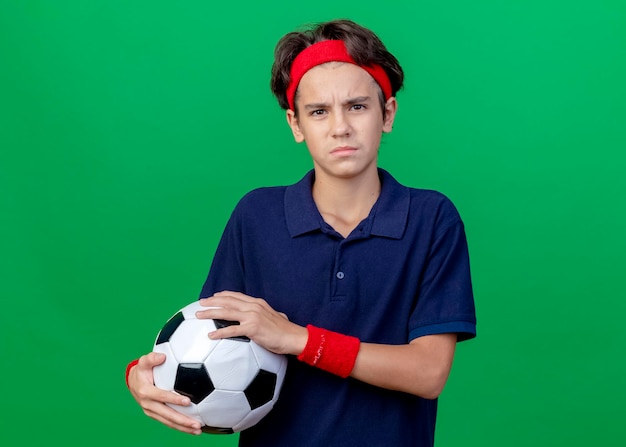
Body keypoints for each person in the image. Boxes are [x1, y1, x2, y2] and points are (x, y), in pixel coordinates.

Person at [126, 19, 476, 446]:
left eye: (358, 106)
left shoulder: (431, 218)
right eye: (318, 111)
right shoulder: (256, 216)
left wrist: (298, 339)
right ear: (295, 124)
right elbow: (208, 343)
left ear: (388, 114)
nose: (340, 127)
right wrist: (143, 376)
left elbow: (427, 373)